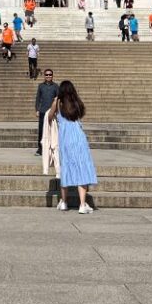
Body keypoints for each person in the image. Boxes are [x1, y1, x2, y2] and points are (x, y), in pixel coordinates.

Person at [48, 80, 97, 214]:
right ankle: (82, 204)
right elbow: (80, 115)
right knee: (82, 167)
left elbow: (49, 117)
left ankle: (64, 202)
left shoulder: (58, 102)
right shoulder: (77, 102)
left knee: (66, 168)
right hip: (79, 137)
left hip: (65, 138)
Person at [34, 68, 59, 156]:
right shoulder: (41, 86)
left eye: (50, 74)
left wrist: (57, 111)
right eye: (47, 75)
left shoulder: (56, 86)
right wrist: (37, 109)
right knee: (41, 130)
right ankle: (40, 149)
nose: (48, 76)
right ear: (44, 76)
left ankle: (52, 149)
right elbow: (38, 98)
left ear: (52, 76)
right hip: (42, 111)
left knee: (52, 130)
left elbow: (58, 99)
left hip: (52, 112)